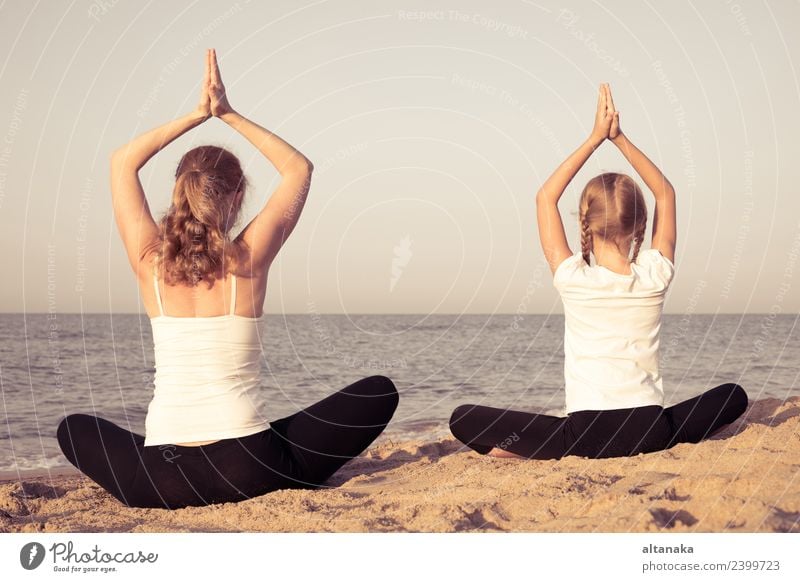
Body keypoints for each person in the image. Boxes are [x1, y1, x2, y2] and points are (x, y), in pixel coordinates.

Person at [56, 49, 398, 509]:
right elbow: (299, 168)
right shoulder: (248, 260)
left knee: (72, 428)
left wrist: (196, 115)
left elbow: (122, 163)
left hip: (162, 480)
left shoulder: (149, 263)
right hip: (251, 469)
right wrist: (227, 113)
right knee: (379, 391)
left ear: (178, 192)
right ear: (237, 196)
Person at [449, 83, 747, 460]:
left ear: (584, 223)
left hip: (584, 436)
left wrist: (595, 138)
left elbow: (544, 197)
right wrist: (619, 139)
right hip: (650, 432)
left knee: (463, 419)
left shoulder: (573, 279)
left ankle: (521, 451)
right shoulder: (654, 276)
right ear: (641, 227)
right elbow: (666, 194)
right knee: (733, 397)